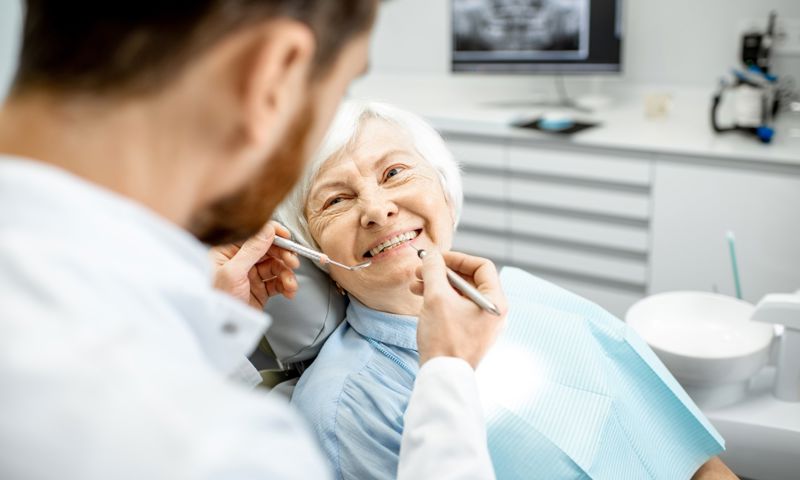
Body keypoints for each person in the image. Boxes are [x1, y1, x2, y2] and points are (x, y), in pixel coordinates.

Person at [0, 2, 506, 479]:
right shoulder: (223, 448)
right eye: (343, 86)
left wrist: (202, 331)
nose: (377, 209)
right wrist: (447, 374)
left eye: (395, 171)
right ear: (274, 74)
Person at [277, 101, 740, 479]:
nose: (377, 210)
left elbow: (694, 460)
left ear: (444, 188)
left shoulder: (532, 295)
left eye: (395, 173)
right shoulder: (344, 409)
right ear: (316, 253)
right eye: (336, 200)